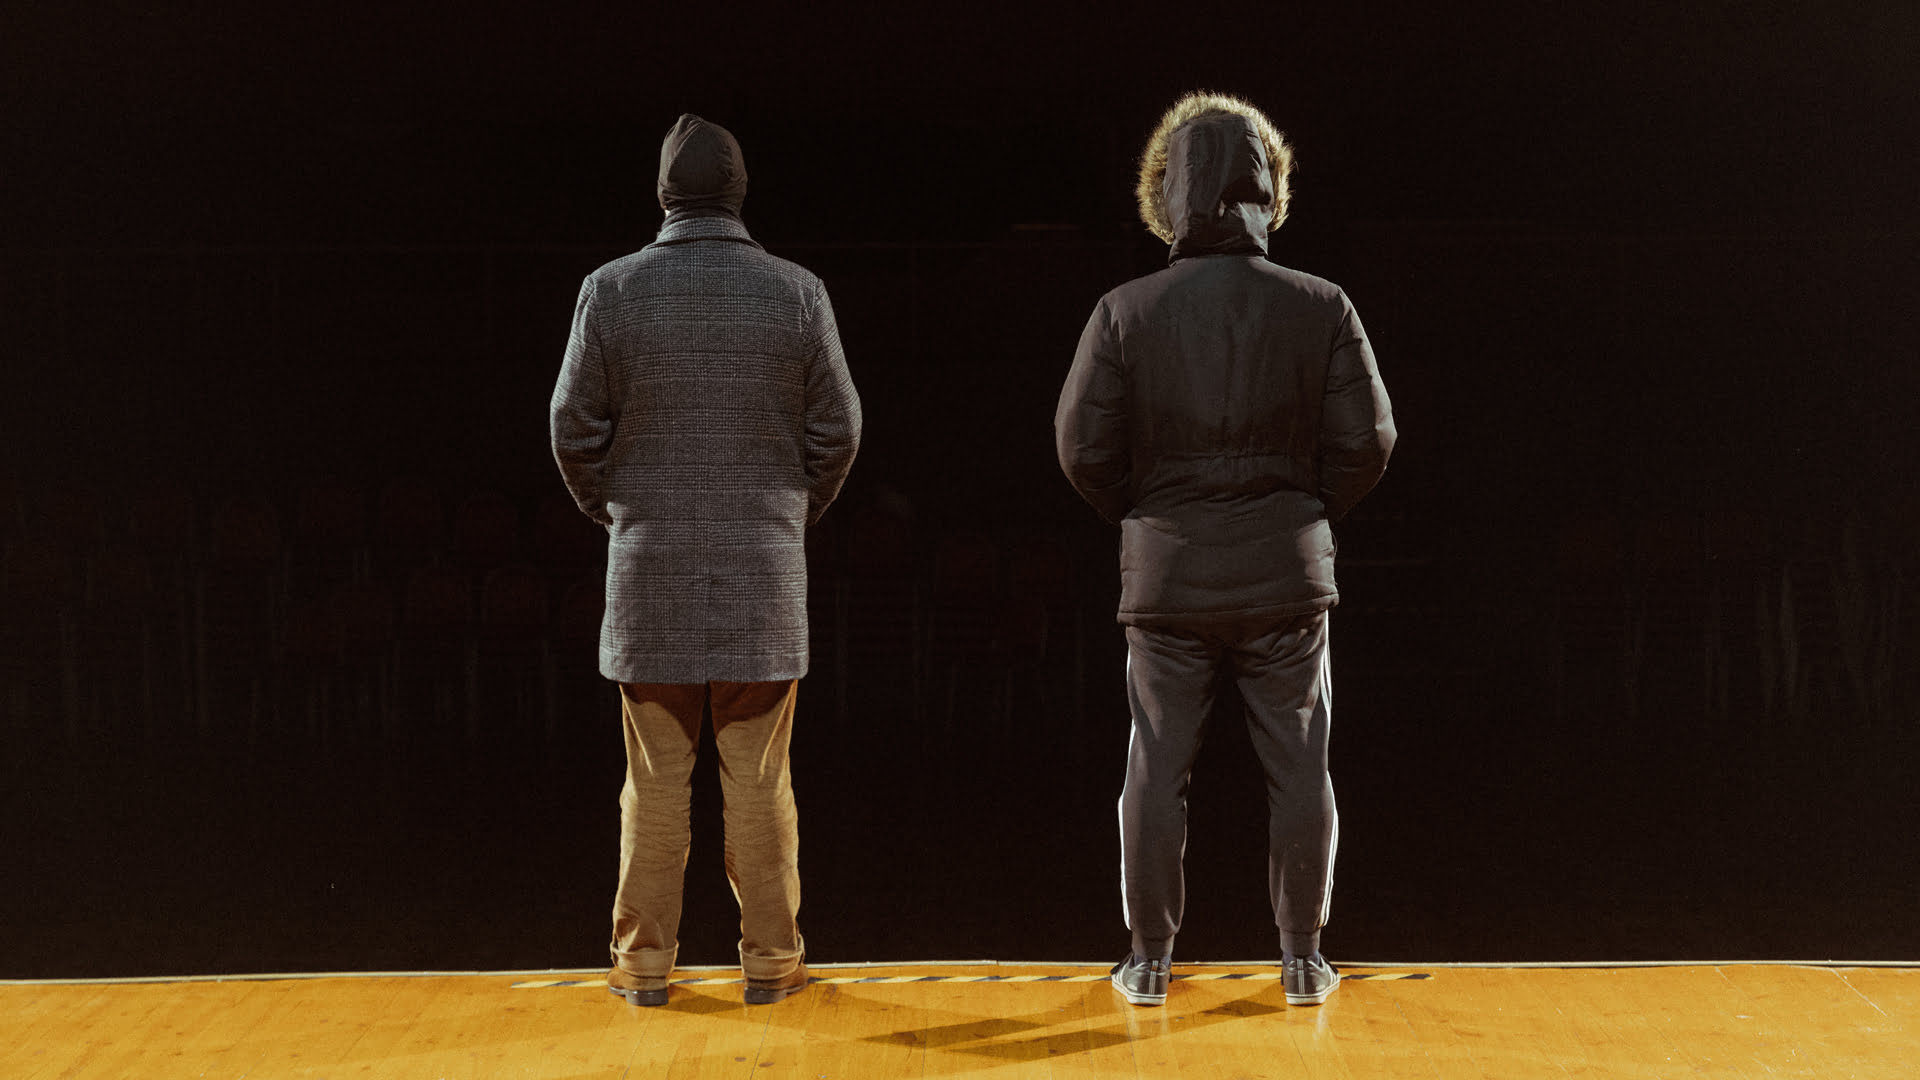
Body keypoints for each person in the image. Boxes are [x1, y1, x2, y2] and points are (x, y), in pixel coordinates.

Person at [1054, 91, 1395, 1008]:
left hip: (1168, 579)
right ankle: (1303, 961)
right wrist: (1302, 512)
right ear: (1266, 192)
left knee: (1155, 770)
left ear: (1169, 195)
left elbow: (1081, 450)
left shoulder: (1123, 312)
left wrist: (1148, 516)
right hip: (1286, 575)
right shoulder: (1322, 305)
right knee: (1301, 767)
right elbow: (1369, 441)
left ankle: (1149, 962)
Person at [550, 113, 861, 1008]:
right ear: (738, 192)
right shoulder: (797, 293)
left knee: (654, 785)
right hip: (764, 575)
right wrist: (789, 514)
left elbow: (572, 429)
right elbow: (839, 430)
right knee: (759, 784)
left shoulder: (609, 291)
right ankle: (772, 963)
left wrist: (619, 514)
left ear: (663, 194)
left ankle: (644, 967)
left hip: (648, 573)